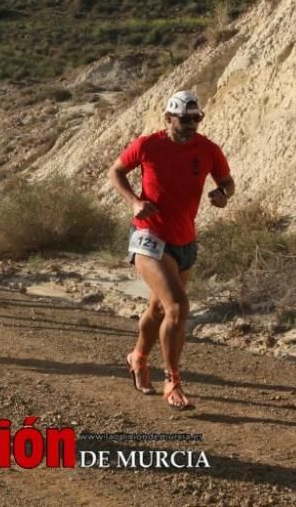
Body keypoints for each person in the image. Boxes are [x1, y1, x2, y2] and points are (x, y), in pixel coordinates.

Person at [109, 91, 234, 411]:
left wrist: (223, 194)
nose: (192, 124)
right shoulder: (148, 145)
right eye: (185, 118)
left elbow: (227, 181)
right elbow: (116, 172)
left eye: (197, 118)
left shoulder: (208, 149)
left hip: (185, 241)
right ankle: (173, 381)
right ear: (168, 118)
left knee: (160, 310)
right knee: (178, 306)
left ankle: (137, 357)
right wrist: (135, 202)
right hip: (149, 237)